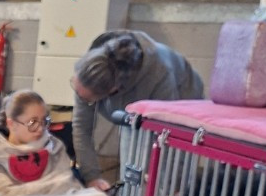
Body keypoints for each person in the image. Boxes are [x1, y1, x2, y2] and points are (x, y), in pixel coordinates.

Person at [70, 31, 204, 185]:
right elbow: (81, 126)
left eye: (86, 98)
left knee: (165, 178)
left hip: (182, 98)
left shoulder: (158, 75)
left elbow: (167, 135)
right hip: (137, 99)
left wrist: (166, 183)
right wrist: (92, 177)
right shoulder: (92, 69)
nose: (80, 98)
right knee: (133, 169)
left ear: (112, 91)